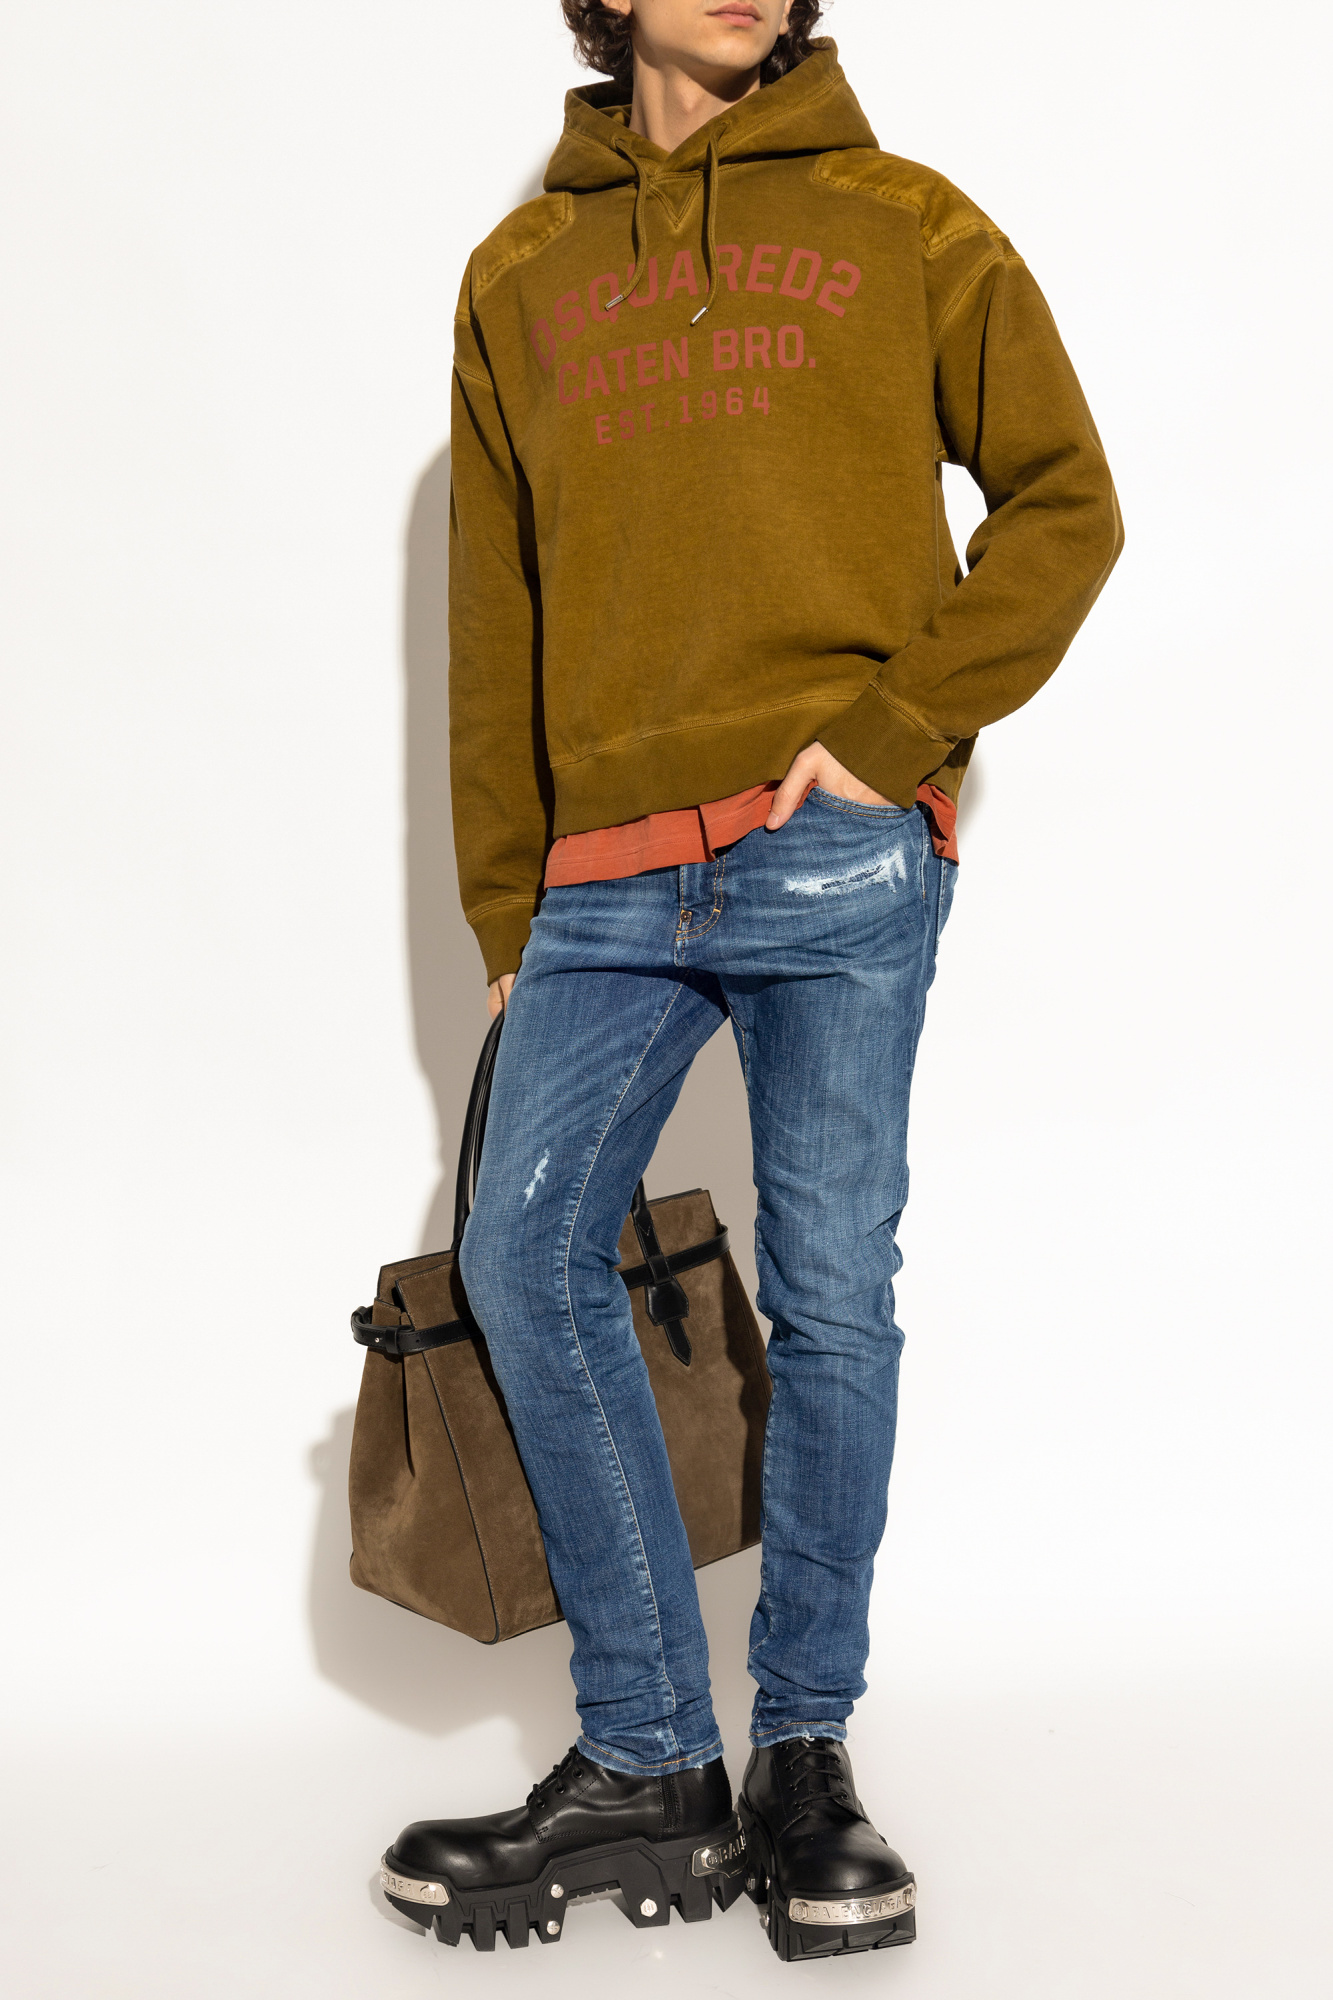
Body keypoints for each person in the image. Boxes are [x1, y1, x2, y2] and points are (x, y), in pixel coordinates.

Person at [379, 0, 1121, 1962]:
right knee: (524, 1251)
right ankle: (649, 1756)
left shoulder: (906, 222)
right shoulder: (520, 275)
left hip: (834, 848)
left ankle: (804, 1754)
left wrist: (891, 736)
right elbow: (491, 622)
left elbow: (1065, 500)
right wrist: (507, 916)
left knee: (833, 1288)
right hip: (605, 875)